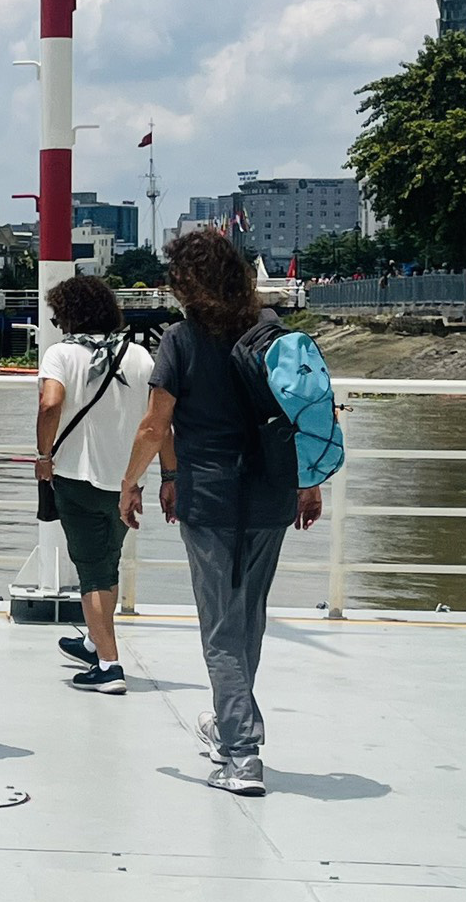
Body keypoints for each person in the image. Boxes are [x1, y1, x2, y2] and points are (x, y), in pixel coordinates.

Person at [119, 229, 324, 797]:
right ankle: (229, 721)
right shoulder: (271, 332)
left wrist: (132, 482)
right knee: (247, 617)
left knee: (220, 627)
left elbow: (155, 426)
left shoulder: (181, 340)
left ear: (186, 285)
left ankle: (241, 753)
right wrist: (309, 483)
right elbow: (304, 412)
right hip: (271, 493)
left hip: (209, 498)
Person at [33, 275, 154, 695]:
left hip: (77, 476)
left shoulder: (60, 354)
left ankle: (108, 665)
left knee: (91, 572)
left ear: (68, 316)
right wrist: (166, 475)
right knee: (107, 562)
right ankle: (93, 641)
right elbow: (158, 422)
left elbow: (50, 403)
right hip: (127, 480)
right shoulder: (139, 355)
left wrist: (43, 455)